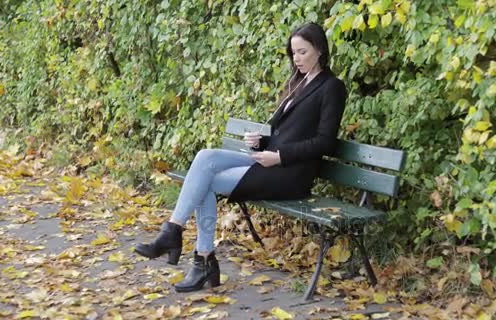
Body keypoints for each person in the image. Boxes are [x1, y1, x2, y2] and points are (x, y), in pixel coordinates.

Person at [135, 22, 347, 293]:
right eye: (293, 53)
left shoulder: (332, 87)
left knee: (206, 183)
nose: (296, 59)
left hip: (291, 173)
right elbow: (286, 132)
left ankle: (199, 258)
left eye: (302, 52)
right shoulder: (297, 83)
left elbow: (325, 142)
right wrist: (262, 141)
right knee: (205, 157)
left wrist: (280, 156)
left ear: (319, 49)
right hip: (269, 160)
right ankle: (176, 233)